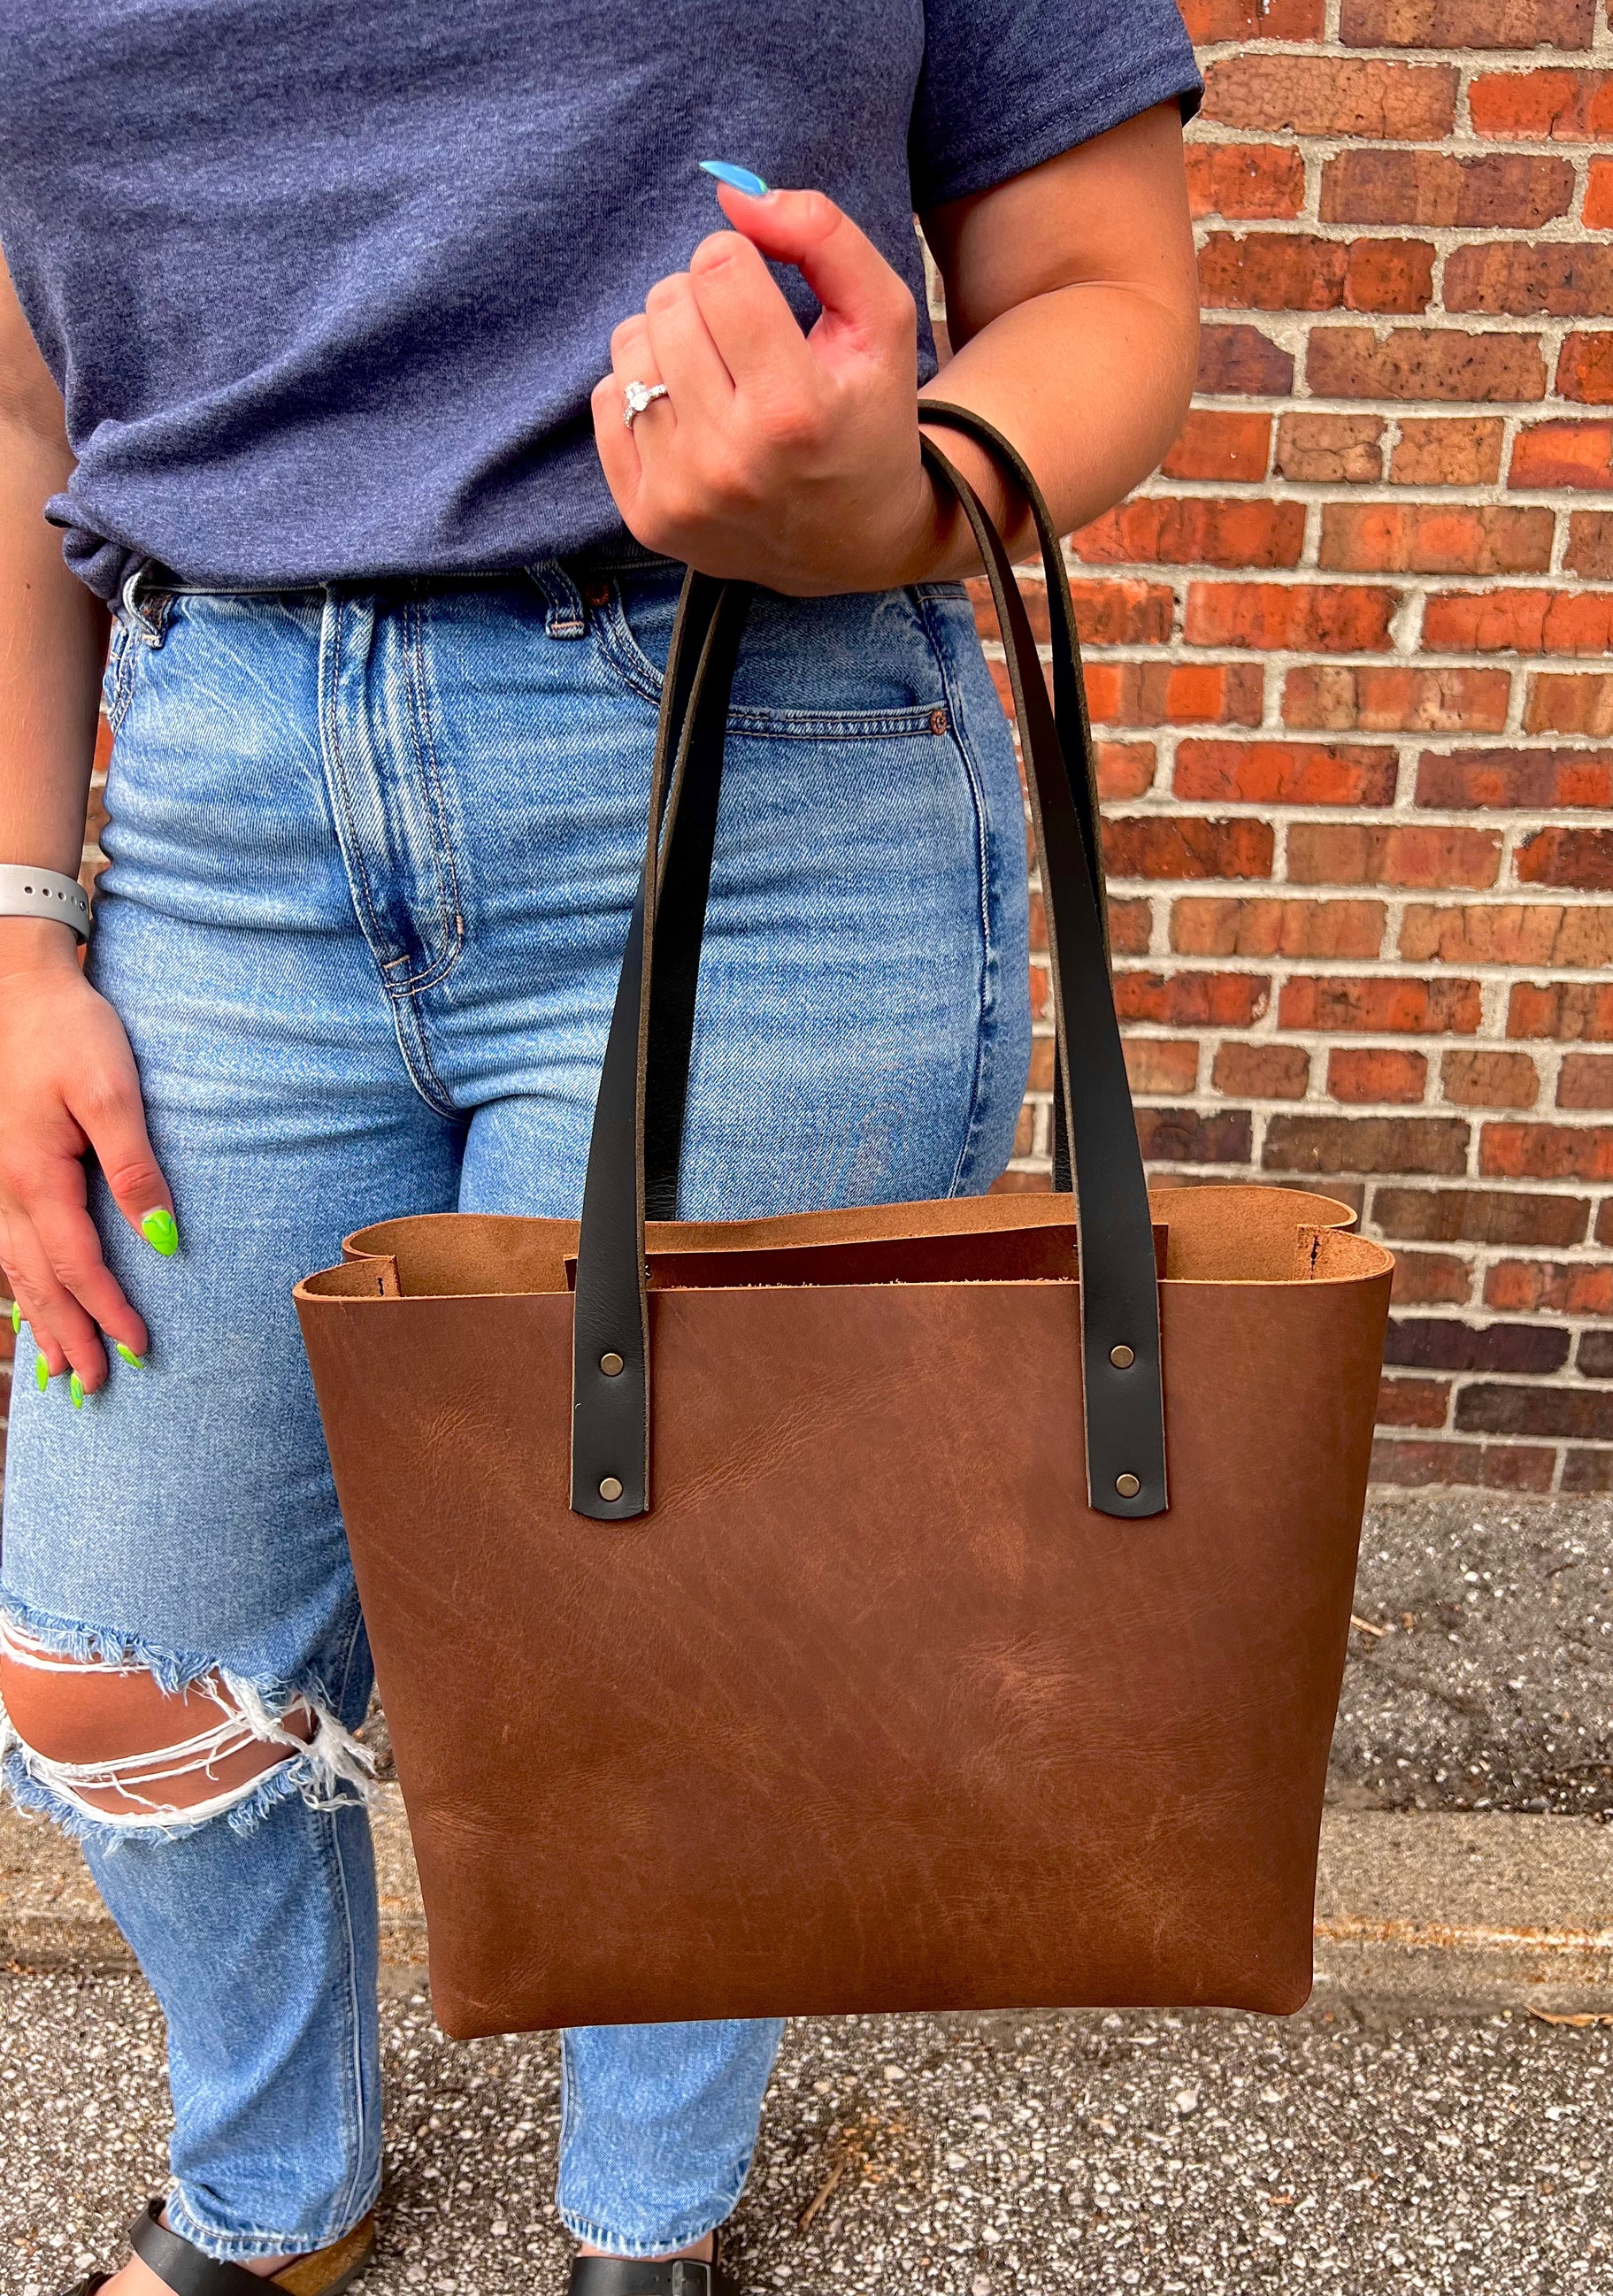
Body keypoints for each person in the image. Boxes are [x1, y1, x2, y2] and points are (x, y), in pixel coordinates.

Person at [0, 8, 1202, 2290]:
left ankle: (648, 2219)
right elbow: (20, 395)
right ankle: (277, 2190)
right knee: (116, 1644)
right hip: (209, 791)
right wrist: (13, 924)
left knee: (694, 1640)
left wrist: (909, 483)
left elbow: (1111, 286)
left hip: (762, 746)